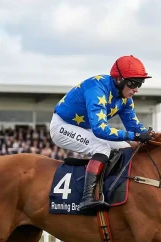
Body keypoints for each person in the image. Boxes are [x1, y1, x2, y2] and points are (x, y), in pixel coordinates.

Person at [50, 55, 153, 214]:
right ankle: (87, 197)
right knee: (101, 148)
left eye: (140, 84)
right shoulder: (97, 89)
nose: (137, 89)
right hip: (63, 126)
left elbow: (134, 126)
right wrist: (134, 136)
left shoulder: (125, 99)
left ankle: (111, 188)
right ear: (119, 80)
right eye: (134, 83)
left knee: (125, 148)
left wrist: (150, 135)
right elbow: (99, 129)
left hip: (85, 128)